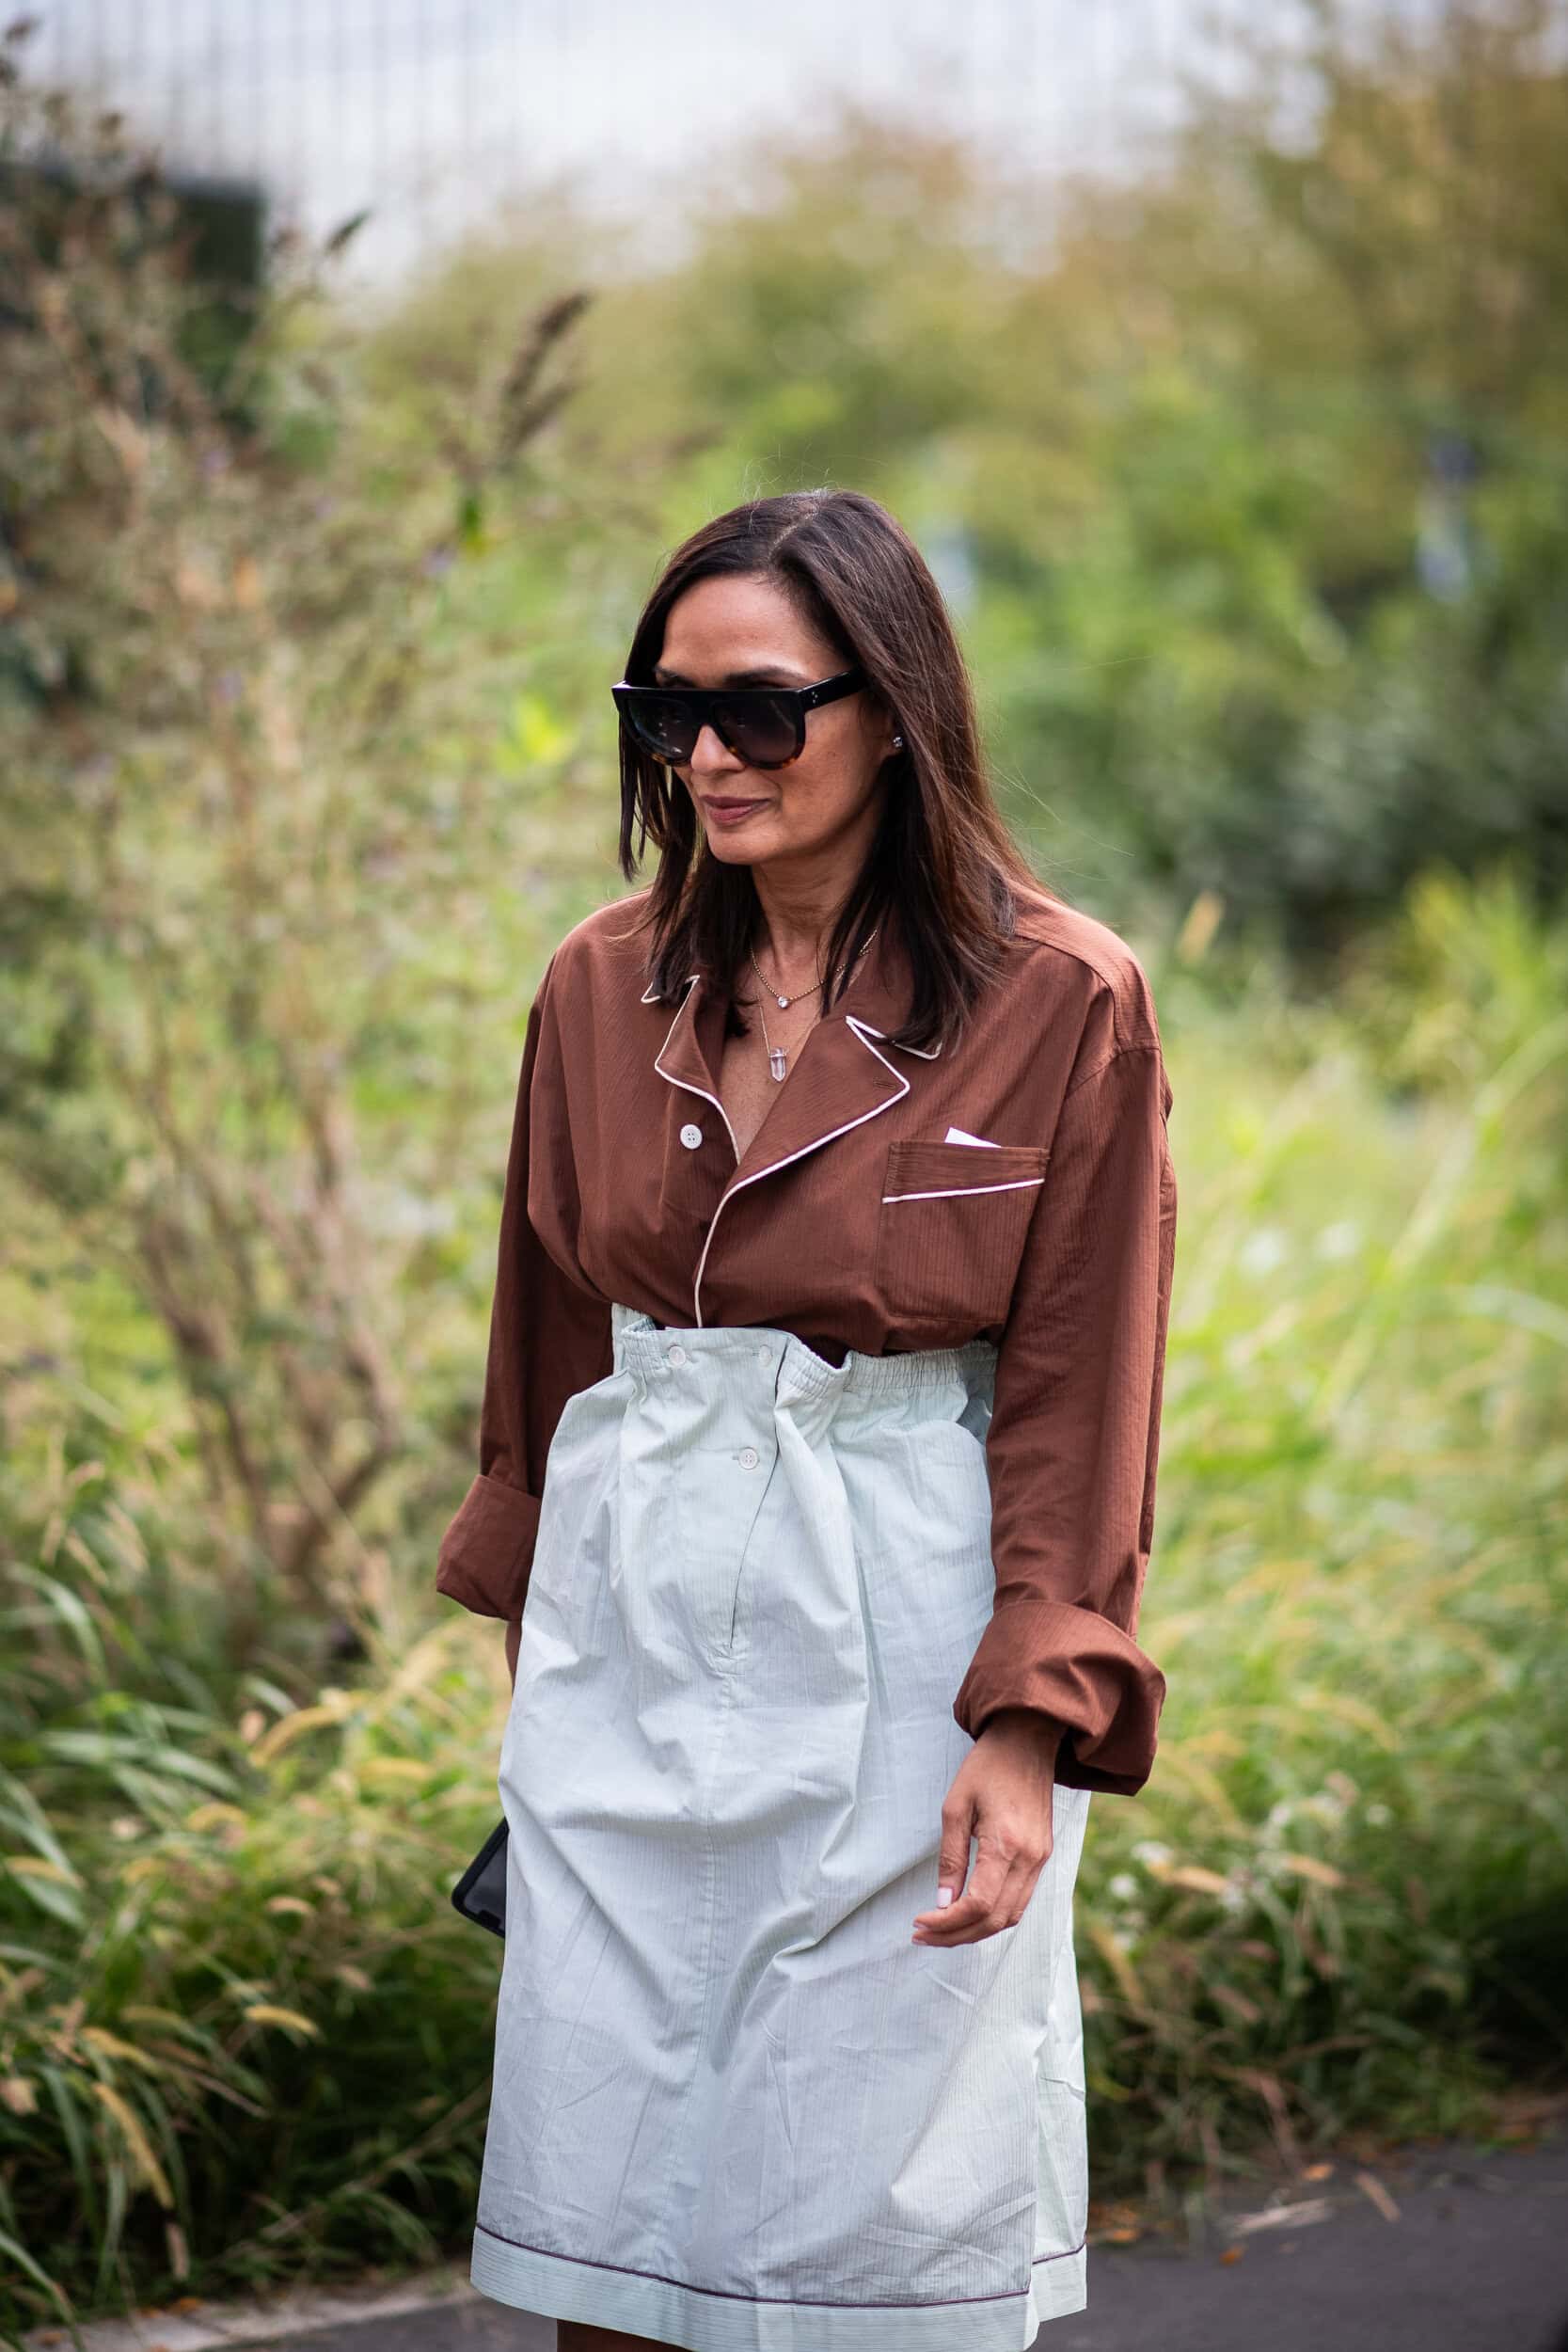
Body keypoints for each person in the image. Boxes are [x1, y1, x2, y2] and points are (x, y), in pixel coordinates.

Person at [436, 486, 1178, 2352]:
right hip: (626, 1649)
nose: (705, 757)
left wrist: (1028, 1724)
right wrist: (541, 1667)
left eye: (759, 709)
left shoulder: (1061, 998)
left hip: (905, 1651)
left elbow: (1082, 1387)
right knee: (605, 2225)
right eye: (665, 712)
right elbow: (549, 1345)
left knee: (866, 2246)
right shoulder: (598, 984)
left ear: (891, 708)